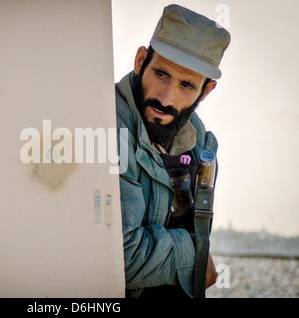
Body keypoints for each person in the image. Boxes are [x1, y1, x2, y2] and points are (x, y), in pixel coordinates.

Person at [115, 4, 231, 298]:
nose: (166, 98)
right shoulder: (106, 125)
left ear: (205, 92)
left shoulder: (202, 145)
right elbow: (116, 257)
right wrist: (194, 257)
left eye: (186, 85)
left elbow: (197, 228)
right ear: (141, 61)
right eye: (162, 75)